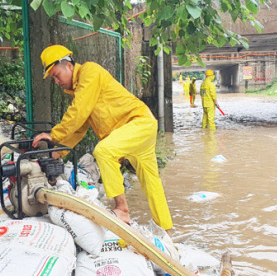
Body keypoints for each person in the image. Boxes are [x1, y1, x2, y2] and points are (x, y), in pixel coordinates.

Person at [31, 45, 173, 231]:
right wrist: (59, 152)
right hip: (138, 128)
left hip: (138, 124)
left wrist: (54, 134)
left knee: (104, 151)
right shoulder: (81, 89)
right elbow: (79, 128)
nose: (56, 81)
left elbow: (78, 112)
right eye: (53, 78)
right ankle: (167, 229)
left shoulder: (89, 72)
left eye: (57, 75)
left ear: (68, 65)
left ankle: (122, 209)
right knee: (150, 182)